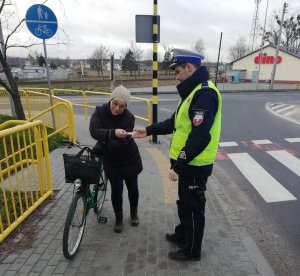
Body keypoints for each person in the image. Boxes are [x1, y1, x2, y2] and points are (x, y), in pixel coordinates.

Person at [133, 48, 222, 261]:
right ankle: (183, 235)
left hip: (195, 164)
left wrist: (177, 166)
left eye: (178, 71)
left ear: (189, 68)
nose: (176, 76)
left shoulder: (204, 93)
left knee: (193, 208)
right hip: (187, 163)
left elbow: (201, 137)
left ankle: (192, 251)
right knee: (185, 202)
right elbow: (174, 123)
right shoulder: (191, 93)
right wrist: (149, 130)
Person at [89, 85, 143, 233]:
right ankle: (118, 218)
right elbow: (94, 131)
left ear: (126, 106)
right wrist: (112, 133)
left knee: (133, 187)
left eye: (122, 106)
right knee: (117, 190)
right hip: (111, 161)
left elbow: (124, 141)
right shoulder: (100, 111)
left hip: (129, 157)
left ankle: (133, 214)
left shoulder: (129, 117)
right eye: (115, 104)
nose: (117, 108)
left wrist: (106, 140)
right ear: (110, 100)